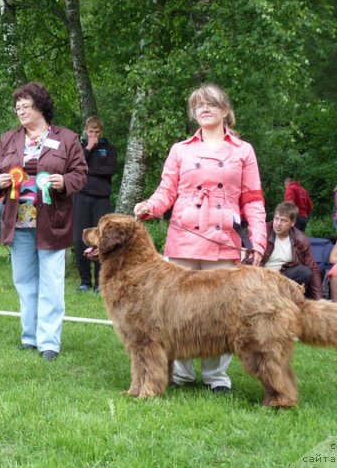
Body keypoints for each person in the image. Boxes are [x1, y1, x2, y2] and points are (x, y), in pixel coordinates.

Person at [133, 83, 267, 394]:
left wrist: (258, 241)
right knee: (174, 309)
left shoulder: (243, 151)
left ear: (225, 110)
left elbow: (253, 200)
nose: (203, 109)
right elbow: (167, 190)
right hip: (183, 237)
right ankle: (181, 372)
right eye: (198, 105)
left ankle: (216, 377)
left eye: (210, 104)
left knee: (221, 312)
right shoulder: (180, 149)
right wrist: (150, 206)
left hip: (224, 241)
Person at [0, 81, 87, 361]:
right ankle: (29, 337)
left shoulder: (67, 138)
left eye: (25, 106)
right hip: (17, 222)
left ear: (40, 107)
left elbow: (80, 174)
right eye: (17, 107)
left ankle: (49, 342)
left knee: (52, 283)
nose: (20, 111)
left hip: (52, 221)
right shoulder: (8, 138)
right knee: (25, 282)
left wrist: (64, 181)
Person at [72, 116, 118, 293]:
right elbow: (76, 166)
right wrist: (89, 148)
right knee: (79, 238)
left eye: (97, 132)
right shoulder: (80, 148)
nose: (93, 135)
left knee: (101, 238)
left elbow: (110, 170)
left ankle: (100, 282)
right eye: (90, 132)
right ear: (86, 131)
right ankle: (85, 281)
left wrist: (88, 171)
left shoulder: (109, 148)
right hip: (82, 197)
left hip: (102, 198)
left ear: (101, 131)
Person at [260, 201, 322, 300]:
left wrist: (319, 301)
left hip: (282, 277)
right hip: (262, 275)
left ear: (292, 223)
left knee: (304, 271)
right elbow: (250, 260)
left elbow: (313, 268)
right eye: (276, 219)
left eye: (283, 221)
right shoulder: (263, 231)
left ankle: (283, 297)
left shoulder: (300, 239)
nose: (278, 224)